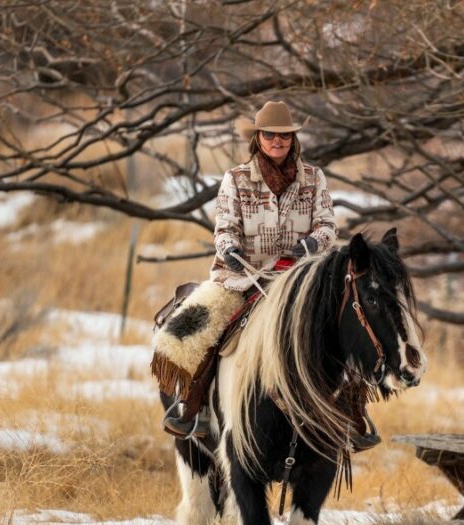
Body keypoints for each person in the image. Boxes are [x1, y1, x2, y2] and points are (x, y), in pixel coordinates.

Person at [158, 101, 380, 450]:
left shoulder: (314, 178)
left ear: (293, 139)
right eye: (270, 134)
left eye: (284, 135)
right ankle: (194, 406)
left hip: (301, 279)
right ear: (258, 138)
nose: (277, 140)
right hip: (245, 276)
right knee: (209, 328)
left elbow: (327, 225)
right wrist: (229, 248)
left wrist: (311, 244)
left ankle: (353, 414)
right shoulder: (236, 178)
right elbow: (224, 227)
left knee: (344, 326)